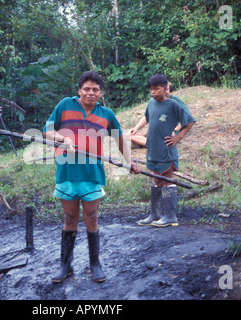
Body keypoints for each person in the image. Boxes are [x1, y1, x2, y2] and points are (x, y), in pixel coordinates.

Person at [43, 71, 141, 283]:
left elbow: (120, 139)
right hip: (67, 172)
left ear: (100, 93)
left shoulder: (106, 114)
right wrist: (63, 139)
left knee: (92, 217)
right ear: (79, 90)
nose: (91, 93)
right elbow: (47, 131)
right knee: (70, 218)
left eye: (95, 90)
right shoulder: (64, 105)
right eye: (86, 89)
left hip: (92, 174)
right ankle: (65, 265)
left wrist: (129, 162)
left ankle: (95, 264)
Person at [129, 74, 195, 227]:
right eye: (151, 89)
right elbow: (146, 118)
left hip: (166, 150)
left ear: (166, 88)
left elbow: (190, 121)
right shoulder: (151, 103)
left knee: (167, 179)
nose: (153, 92)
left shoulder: (173, 104)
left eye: (156, 89)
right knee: (157, 180)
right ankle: (155, 214)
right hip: (153, 150)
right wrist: (137, 128)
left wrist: (177, 138)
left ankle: (170, 216)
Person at [128, 82, 191, 147]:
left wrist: (178, 128)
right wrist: (136, 128)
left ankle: (151, 144)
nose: (166, 92)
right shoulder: (154, 101)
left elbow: (187, 115)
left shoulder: (174, 100)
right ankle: (148, 141)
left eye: (167, 89)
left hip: (169, 132)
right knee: (130, 135)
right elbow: (146, 117)